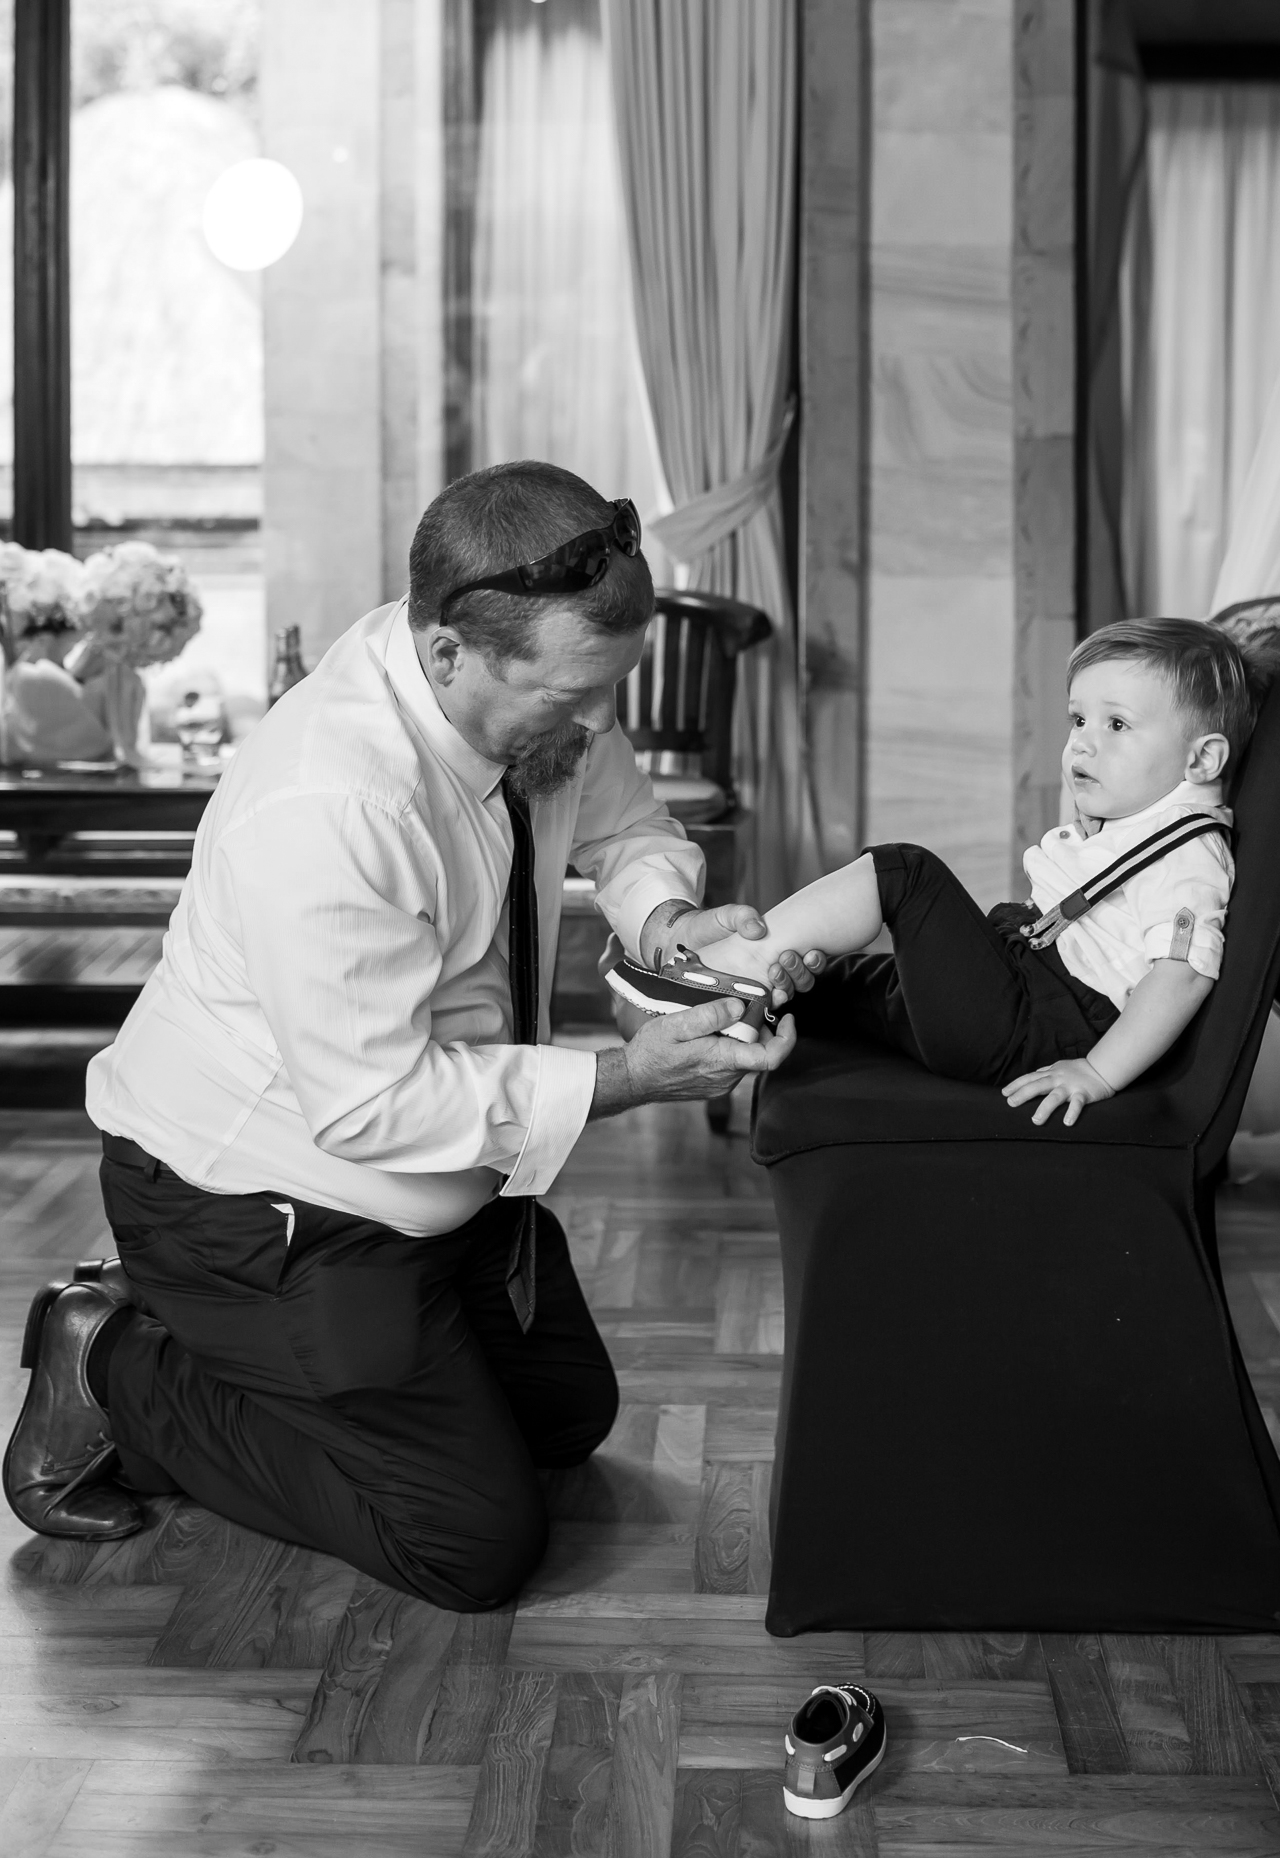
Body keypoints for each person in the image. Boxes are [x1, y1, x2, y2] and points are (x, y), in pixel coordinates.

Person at [3, 462, 821, 1608]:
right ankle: (113, 1365)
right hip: (261, 1208)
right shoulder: (333, 802)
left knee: (565, 1419)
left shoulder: (532, 675)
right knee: (472, 1546)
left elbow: (626, 826)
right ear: (445, 651)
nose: (594, 726)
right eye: (569, 699)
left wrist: (669, 917)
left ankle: (298, 1379)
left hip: (437, 1196)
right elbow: (367, 1106)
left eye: (608, 692)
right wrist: (629, 1077)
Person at [611, 618, 1264, 1128]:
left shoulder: (1190, 854)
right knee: (831, 981)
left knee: (906, 872)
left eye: (1117, 724)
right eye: (1078, 719)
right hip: (1018, 997)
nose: (1083, 743)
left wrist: (1096, 1072)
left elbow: (1180, 977)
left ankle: (716, 971)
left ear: (1203, 759)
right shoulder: (1140, 816)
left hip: (1036, 1028)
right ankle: (734, 1012)